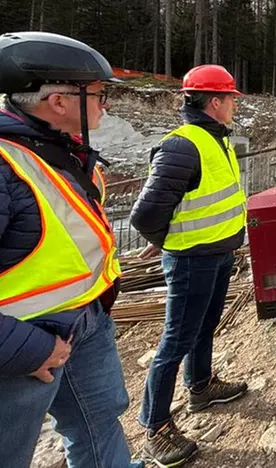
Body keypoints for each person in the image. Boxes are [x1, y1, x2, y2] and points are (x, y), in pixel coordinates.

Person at [0, 31, 141, 468]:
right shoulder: (6, 165)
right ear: (58, 101)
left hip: (84, 322)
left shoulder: (61, 151)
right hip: (23, 350)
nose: (105, 104)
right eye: (97, 94)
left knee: (99, 422)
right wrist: (23, 347)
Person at [131, 64, 250, 466]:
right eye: (231, 99)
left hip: (216, 254)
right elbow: (145, 214)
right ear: (214, 102)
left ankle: (200, 385)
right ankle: (156, 427)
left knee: (205, 324)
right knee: (176, 340)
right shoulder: (183, 145)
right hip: (191, 259)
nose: (235, 105)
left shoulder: (215, 138)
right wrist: (164, 242)